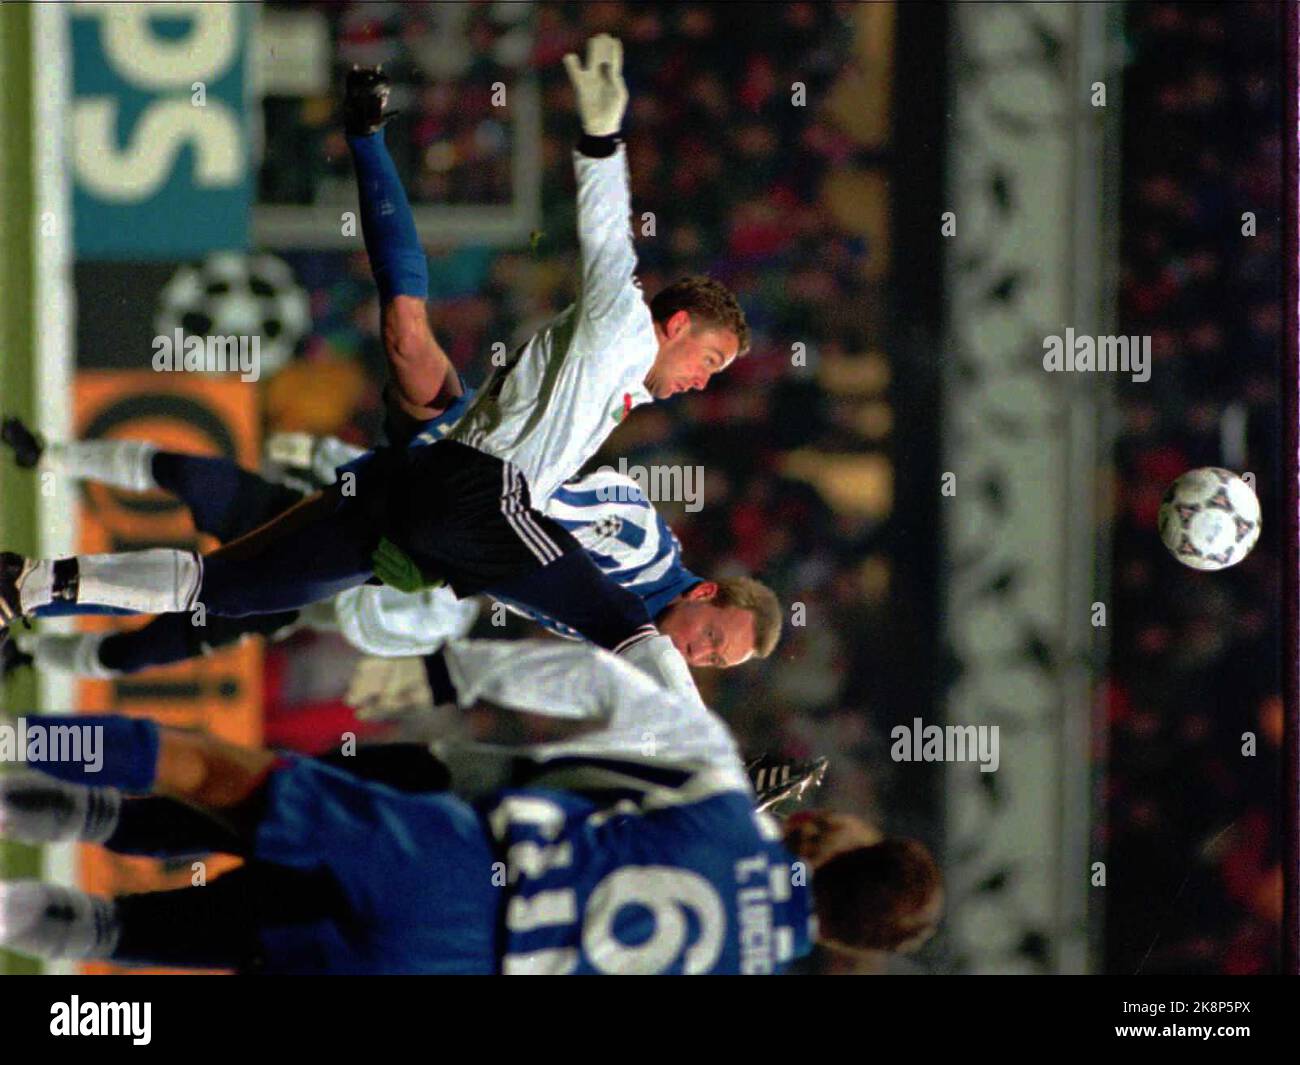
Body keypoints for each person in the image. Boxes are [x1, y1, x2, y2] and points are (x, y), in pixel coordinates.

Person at [1, 35, 749, 666]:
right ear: (678, 325)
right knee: (405, 333)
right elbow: (609, 238)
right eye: (709, 360)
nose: (700, 383)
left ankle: (28, 587)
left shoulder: (625, 401)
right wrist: (600, 140)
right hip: (469, 478)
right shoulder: (640, 507)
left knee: (227, 592)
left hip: (434, 507)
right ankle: (366, 137)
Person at [0, 640, 942, 973]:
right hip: (455, 966)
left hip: (459, 852)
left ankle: (14, 757)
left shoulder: (726, 798)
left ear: (820, 836)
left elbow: (590, 675)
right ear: (844, 947)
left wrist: (444, 670)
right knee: (154, 939)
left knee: (214, 778)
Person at [0, 418, 778, 677]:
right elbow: (521, 489)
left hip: (372, 569)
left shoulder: (626, 630)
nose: (699, 655)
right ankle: (51, 482)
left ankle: (29, 613)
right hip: (390, 517)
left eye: (715, 661)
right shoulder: (638, 541)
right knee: (198, 511)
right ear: (706, 592)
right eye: (712, 639)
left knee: (198, 607)